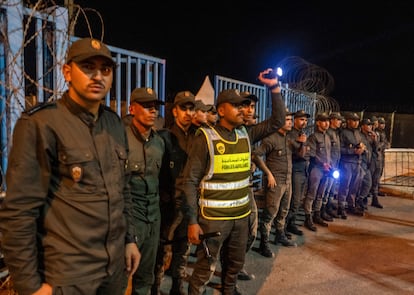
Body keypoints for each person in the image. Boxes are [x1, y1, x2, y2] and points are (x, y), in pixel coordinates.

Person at [0, 37, 141, 295]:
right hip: (69, 276)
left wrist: (130, 240)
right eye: (88, 67)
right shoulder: (41, 124)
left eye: (105, 70)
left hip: (113, 271)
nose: (97, 76)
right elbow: (19, 212)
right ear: (67, 72)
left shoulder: (114, 125)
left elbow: (124, 190)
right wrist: (29, 285)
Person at [182, 68, 286, 295]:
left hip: (240, 217)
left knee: (234, 266)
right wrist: (192, 220)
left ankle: (228, 290)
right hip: (214, 221)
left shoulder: (245, 134)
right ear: (221, 110)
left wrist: (274, 88)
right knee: (204, 269)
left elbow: (278, 120)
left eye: (243, 106)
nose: (243, 110)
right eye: (237, 106)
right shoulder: (206, 138)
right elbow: (189, 181)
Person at [153, 91, 197, 295]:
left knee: (183, 248)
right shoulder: (164, 137)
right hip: (168, 205)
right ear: (175, 111)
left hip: (188, 204)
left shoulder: (199, 136)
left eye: (191, 108)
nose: (188, 113)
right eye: (184, 109)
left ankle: (177, 287)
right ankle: (155, 288)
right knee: (162, 250)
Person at [125, 87, 165, 295]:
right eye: (147, 106)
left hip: (153, 217)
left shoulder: (158, 142)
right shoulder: (120, 140)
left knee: (145, 278)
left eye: (155, 107)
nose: (153, 111)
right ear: (132, 109)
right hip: (130, 217)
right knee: (120, 277)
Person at [252, 108, 297, 258]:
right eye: (288, 120)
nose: (291, 123)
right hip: (275, 182)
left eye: (291, 120)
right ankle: (263, 244)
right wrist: (268, 173)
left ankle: (280, 234)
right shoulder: (271, 139)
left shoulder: (288, 138)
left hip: (287, 180)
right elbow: (256, 155)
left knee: (283, 210)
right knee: (270, 212)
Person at [303, 112, 332, 231]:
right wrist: (322, 163)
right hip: (316, 169)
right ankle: (308, 217)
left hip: (327, 170)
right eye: (324, 121)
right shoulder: (313, 137)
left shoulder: (327, 137)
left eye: (328, 121)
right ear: (318, 123)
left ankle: (317, 214)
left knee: (321, 194)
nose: (327, 123)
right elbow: (311, 154)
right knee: (311, 194)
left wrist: (330, 165)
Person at [285, 110, 310, 236]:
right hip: (295, 169)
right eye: (301, 119)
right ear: (295, 120)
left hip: (303, 169)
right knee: (293, 200)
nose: (304, 122)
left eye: (305, 120)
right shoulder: (291, 134)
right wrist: (302, 143)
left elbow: (307, 153)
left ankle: (291, 223)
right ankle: (284, 226)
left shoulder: (302, 134)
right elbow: (300, 153)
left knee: (298, 199)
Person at [337, 112, 365, 218]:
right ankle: (341, 207)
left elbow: (361, 144)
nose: (356, 122)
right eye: (354, 120)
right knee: (345, 186)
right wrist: (353, 151)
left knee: (354, 186)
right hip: (346, 162)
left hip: (357, 162)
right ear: (348, 121)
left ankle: (351, 205)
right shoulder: (343, 133)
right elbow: (340, 149)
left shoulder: (357, 133)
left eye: (357, 120)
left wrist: (362, 149)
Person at [323, 112, 344, 218]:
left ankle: (328, 207)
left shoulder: (335, 133)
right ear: (332, 120)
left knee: (331, 189)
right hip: (330, 166)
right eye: (338, 119)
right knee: (326, 189)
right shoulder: (328, 134)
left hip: (335, 164)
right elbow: (328, 150)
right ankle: (323, 210)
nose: (340, 122)